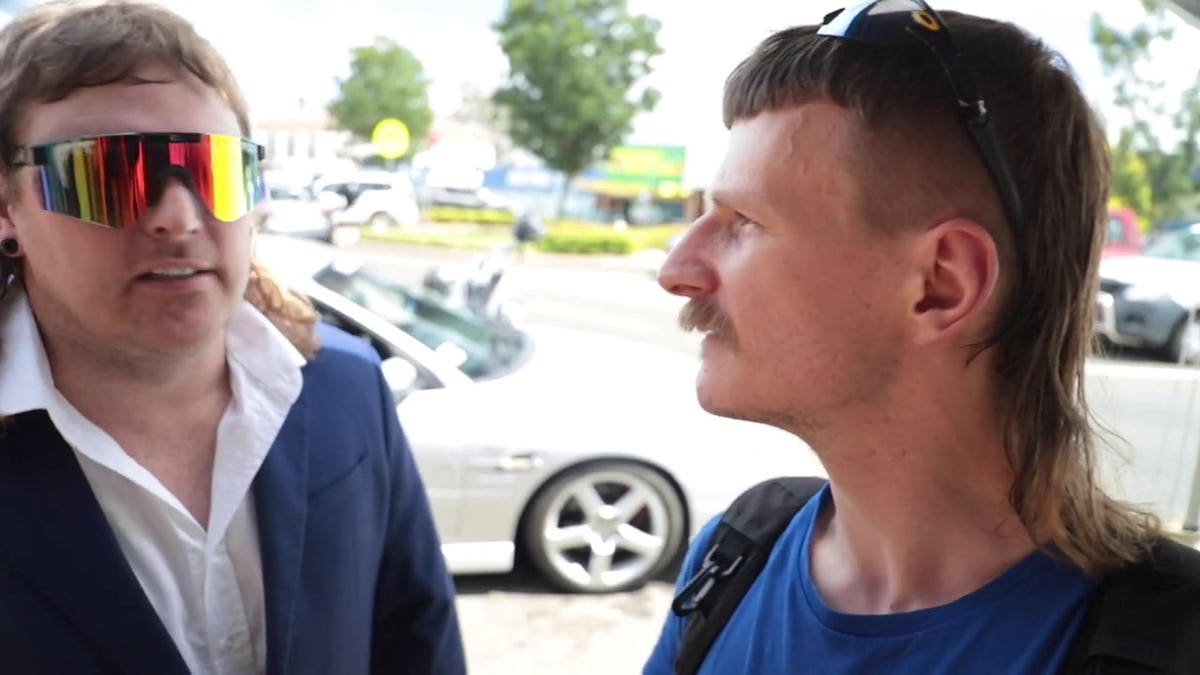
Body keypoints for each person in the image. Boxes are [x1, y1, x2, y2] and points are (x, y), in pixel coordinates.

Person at [645, 1, 1200, 674]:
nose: (677, 271)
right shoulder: (732, 558)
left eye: (743, 222)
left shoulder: (1169, 642)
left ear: (942, 284)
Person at [0, 2, 465, 673]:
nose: (178, 216)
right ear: (7, 206)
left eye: (215, 169)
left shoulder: (347, 387)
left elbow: (416, 639)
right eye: (109, 175)